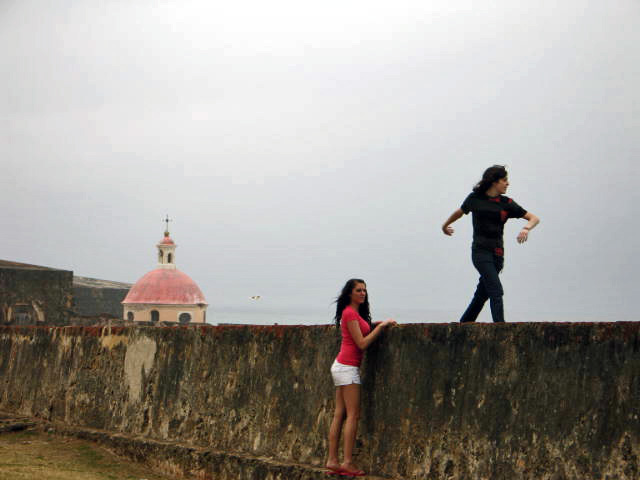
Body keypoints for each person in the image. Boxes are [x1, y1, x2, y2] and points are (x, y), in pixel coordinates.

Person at [441, 165, 539, 323]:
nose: (507, 183)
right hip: (480, 253)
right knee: (496, 289)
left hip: (497, 255)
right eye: (504, 180)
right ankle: (500, 328)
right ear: (494, 181)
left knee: (482, 295)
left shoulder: (506, 203)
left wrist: (526, 228)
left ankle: (463, 326)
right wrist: (445, 225)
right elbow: (460, 212)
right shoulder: (475, 199)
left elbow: (534, 218)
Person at [326, 279, 396, 477]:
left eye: (364, 290)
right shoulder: (350, 313)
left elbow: (360, 328)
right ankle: (347, 462)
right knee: (353, 415)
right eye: (358, 290)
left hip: (342, 366)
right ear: (350, 293)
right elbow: (362, 343)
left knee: (339, 414)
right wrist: (381, 327)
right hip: (347, 368)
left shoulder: (353, 313)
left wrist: (374, 324)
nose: (363, 293)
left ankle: (332, 460)